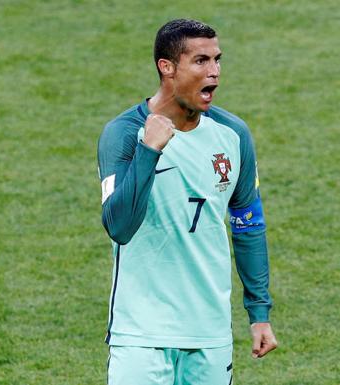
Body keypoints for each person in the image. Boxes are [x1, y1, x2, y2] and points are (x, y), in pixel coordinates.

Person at [97, 18, 277, 385]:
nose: (214, 72)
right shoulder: (124, 134)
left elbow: (248, 225)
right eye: (200, 61)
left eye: (217, 60)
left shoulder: (233, 135)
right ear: (167, 68)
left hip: (209, 332)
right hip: (142, 334)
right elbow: (119, 227)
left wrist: (259, 312)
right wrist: (149, 150)